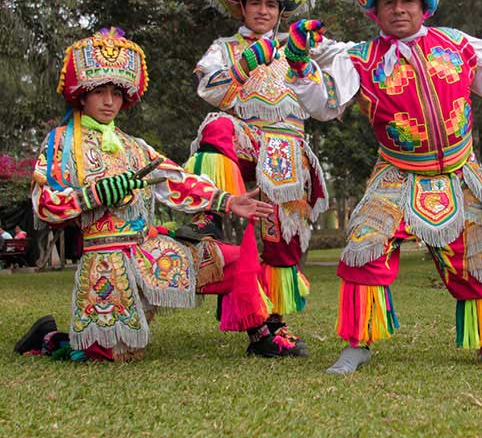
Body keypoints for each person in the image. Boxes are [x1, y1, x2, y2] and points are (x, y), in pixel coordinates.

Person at [298, 0, 482, 373]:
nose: (399, 9)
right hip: (397, 171)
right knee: (366, 241)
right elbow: (324, 104)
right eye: (388, 2)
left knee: (477, 252)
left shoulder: (457, 44)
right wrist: (301, 66)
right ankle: (358, 342)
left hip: (459, 171)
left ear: (425, 5)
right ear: (374, 10)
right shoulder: (360, 59)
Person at [14, 27, 295, 362]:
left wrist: (228, 201)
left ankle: (262, 335)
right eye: (100, 92)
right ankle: (47, 336)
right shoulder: (62, 141)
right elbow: (44, 206)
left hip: (148, 248)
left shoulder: (134, 146)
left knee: (233, 261)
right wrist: (93, 195)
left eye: (116, 94)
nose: (108, 102)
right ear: (82, 95)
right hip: (106, 258)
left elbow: (175, 181)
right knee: (108, 355)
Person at [183, 0, 337, 353]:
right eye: (256, 3)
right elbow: (208, 89)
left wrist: (306, 55)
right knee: (216, 127)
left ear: (281, 11)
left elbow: (326, 101)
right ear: (242, 6)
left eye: (272, 4)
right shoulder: (226, 48)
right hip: (247, 138)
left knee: (279, 237)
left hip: (287, 146)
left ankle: (269, 328)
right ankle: (208, 216)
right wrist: (244, 64)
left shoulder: (298, 47)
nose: (263, 10)